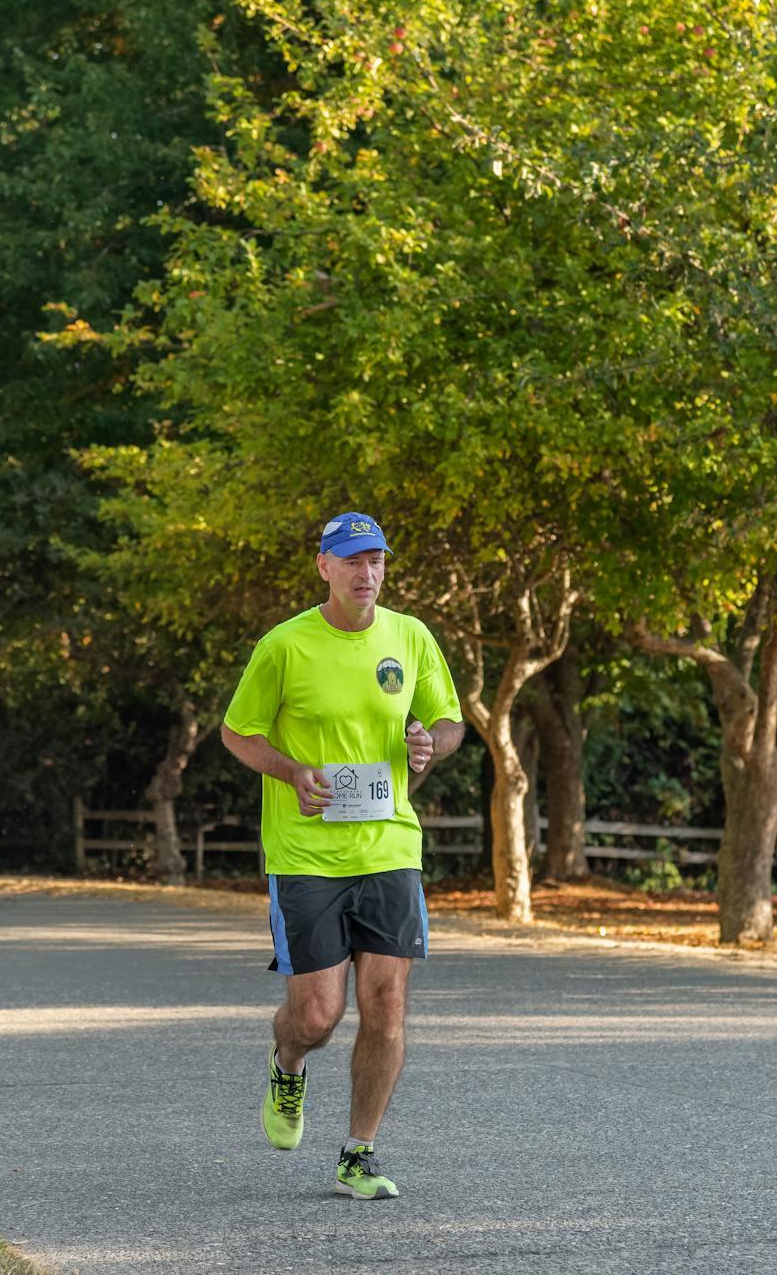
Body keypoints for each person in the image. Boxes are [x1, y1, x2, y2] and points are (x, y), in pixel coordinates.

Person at [220, 511, 465, 1200]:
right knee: (317, 1015)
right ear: (324, 566)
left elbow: (448, 723)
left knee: (386, 1004)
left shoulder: (410, 637)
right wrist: (292, 770)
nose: (368, 573)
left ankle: (360, 1150)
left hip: (389, 843)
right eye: (353, 560)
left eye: (377, 560)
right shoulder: (285, 646)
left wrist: (429, 744)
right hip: (306, 855)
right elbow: (238, 733)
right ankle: (289, 1062)